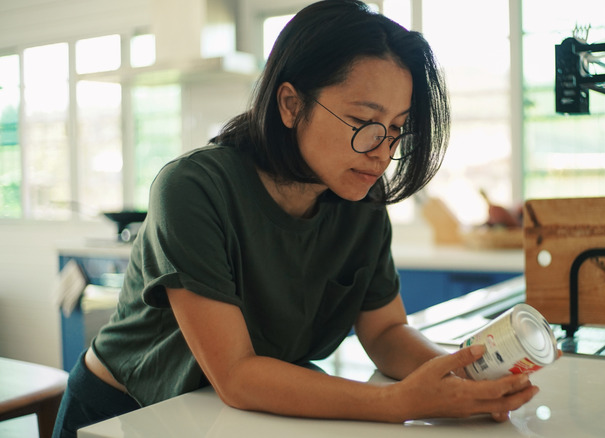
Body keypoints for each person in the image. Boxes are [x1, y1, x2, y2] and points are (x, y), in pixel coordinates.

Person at [52, 1, 539, 436]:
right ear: (291, 104)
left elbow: (387, 333)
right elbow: (238, 375)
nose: (381, 152)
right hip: (124, 414)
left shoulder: (360, 203)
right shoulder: (193, 189)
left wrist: (461, 375)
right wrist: (395, 403)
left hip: (234, 417)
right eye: (364, 122)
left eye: (395, 131)